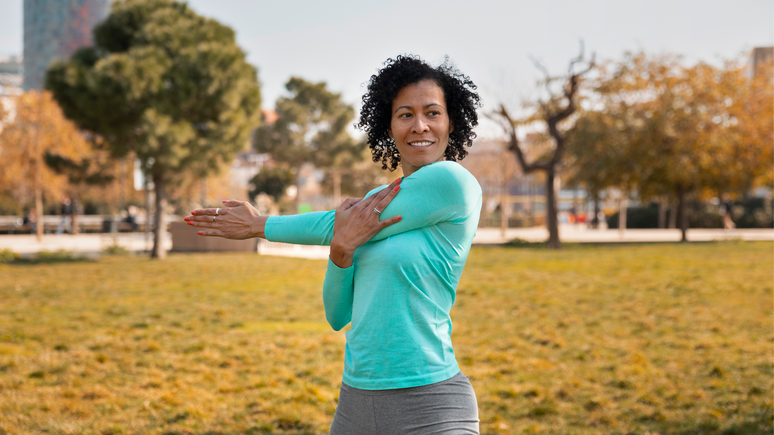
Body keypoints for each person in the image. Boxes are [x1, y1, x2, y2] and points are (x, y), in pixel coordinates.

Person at [186, 55, 483, 434]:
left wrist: (260, 224)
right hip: (356, 404)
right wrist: (340, 254)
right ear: (388, 125)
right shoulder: (377, 198)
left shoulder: (452, 183)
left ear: (451, 122)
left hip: (430, 404)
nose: (420, 125)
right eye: (405, 114)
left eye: (433, 113)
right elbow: (338, 315)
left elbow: (333, 222)